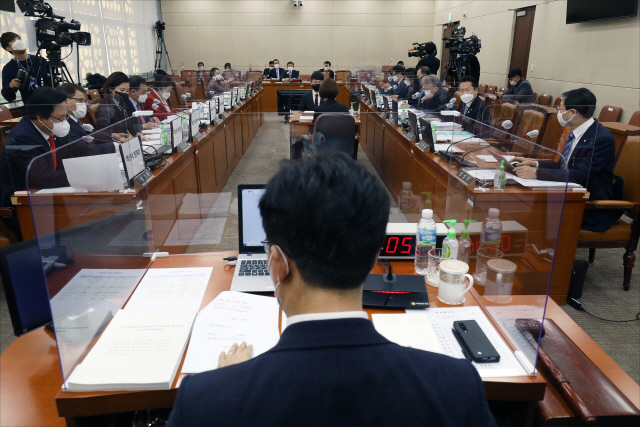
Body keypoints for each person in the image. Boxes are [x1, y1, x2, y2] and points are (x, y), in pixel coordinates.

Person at [165, 152, 498, 427]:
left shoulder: (204, 401)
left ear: (277, 263)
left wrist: (230, 385)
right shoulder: (456, 385)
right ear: (373, 259)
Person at [513, 88, 617, 232]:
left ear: (573, 112)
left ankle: (542, 251)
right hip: (568, 195)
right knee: (522, 202)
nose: (558, 113)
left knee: (528, 209)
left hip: (587, 205)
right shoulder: (578, 132)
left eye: (560, 109)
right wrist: (534, 163)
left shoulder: (600, 138)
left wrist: (536, 173)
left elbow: (580, 175)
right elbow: (565, 165)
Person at [0, 87, 86, 237]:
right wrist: (83, 174)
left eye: (66, 116)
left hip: (45, 197)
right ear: (40, 117)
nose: (64, 122)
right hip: (21, 206)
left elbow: (72, 151)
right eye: (61, 118)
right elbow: (42, 178)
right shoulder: (21, 138)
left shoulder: (49, 128)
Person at [1, 32, 52, 103]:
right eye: (13, 40)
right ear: (8, 48)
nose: (18, 41)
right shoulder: (8, 68)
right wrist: (10, 86)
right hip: (31, 108)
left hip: (50, 104)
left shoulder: (40, 60)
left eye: (19, 38)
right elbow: (9, 97)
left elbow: (52, 83)